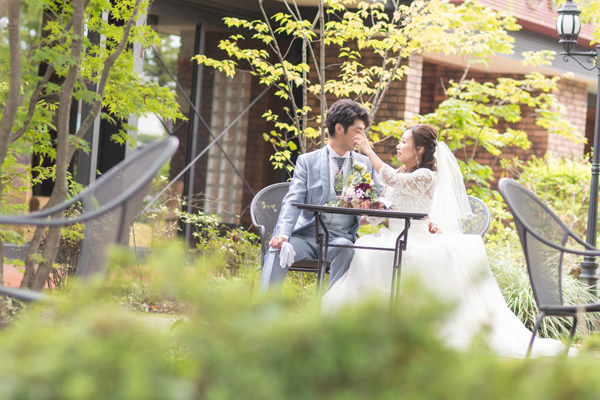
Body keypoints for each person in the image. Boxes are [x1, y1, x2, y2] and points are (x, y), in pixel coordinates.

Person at [321, 124, 575, 358]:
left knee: (391, 255)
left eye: (403, 141)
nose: (397, 146)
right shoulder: (400, 170)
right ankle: (366, 329)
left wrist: (368, 150)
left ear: (419, 149)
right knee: (365, 249)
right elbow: (389, 207)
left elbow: (394, 181)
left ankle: (406, 330)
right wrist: (361, 207)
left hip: (415, 238)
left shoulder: (428, 175)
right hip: (394, 233)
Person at [258, 99, 383, 297]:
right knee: (277, 250)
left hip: (340, 239)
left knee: (346, 249)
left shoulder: (365, 164)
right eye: (358, 130)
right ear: (339, 128)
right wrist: (282, 234)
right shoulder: (307, 161)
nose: (362, 137)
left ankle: (329, 313)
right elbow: (292, 200)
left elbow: (379, 199)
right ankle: (262, 314)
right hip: (306, 236)